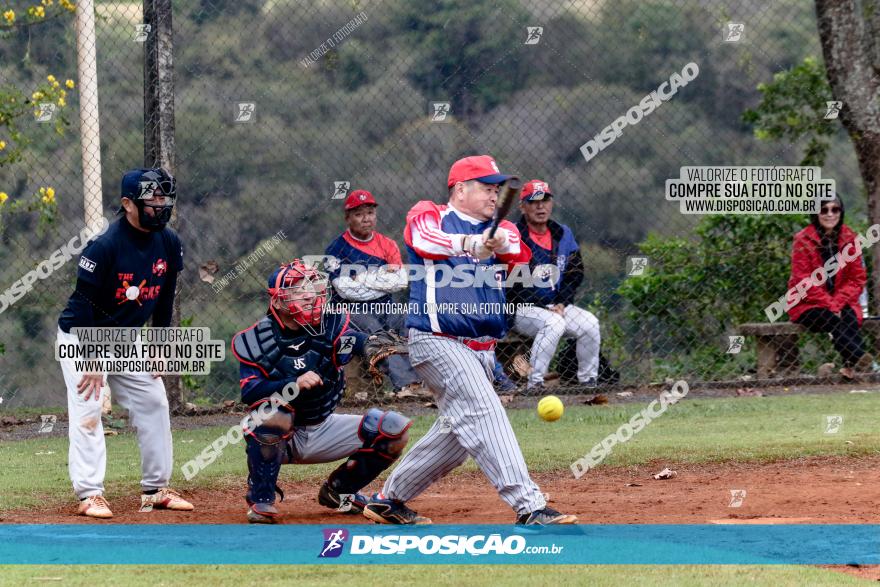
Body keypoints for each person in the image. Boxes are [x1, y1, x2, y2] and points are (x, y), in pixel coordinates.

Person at [361, 155, 578, 526]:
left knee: (454, 440)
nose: (494, 195)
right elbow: (423, 240)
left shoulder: (504, 228)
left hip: (481, 349)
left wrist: (500, 243)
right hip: (437, 339)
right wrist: (470, 243)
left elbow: (520, 258)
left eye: (497, 189)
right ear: (460, 189)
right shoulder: (430, 214)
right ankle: (530, 506)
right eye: (486, 188)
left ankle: (387, 500)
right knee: (485, 412)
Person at [57, 167, 193, 518]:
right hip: (82, 335)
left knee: (154, 401)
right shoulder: (104, 246)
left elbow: (165, 298)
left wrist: (161, 346)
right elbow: (85, 303)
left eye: (164, 197)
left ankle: (156, 489)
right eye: (152, 198)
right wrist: (92, 359)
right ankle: (89, 494)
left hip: (126, 338)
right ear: (127, 204)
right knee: (88, 407)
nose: (160, 205)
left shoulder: (168, 241)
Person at [231, 260, 412, 524]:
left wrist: (370, 345)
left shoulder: (330, 322)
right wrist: (292, 383)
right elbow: (250, 393)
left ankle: (340, 491)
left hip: (323, 427)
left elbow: (353, 339)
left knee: (393, 428)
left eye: (310, 287)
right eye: (297, 289)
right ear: (278, 301)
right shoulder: (256, 340)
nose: (309, 295)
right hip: (283, 437)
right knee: (271, 417)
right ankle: (261, 500)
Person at [324, 190, 423, 395]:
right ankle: (405, 385)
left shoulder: (387, 244)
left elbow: (399, 281)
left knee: (410, 321)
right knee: (376, 331)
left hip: (384, 306)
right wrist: (380, 278)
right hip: (349, 310)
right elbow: (344, 290)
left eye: (370, 212)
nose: (366, 218)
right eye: (359, 214)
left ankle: (420, 382)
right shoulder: (335, 249)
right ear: (348, 218)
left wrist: (361, 279)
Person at [508, 179, 600, 391]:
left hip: (556, 307)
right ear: (522, 206)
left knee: (590, 324)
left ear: (552, 203)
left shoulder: (562, 233)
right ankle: (535, 383)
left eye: (545, 200)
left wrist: (562, 302)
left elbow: (575, 272)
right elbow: (511, 282)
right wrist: (546, 305)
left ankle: (588, 382)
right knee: (554, 323)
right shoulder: (513, 234)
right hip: (520, 309)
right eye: (534, 202)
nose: (540, 206)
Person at [787, 196, 873, 378]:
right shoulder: (802, 240)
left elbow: (857, 278)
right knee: (833, 319)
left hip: (842, 302)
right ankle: (859, 358)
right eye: (824, 210)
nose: (830, 214)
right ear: (815, 213)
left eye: (835, 209)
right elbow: (802, 280)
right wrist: (830, 304)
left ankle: (849, 369)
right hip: (808, 303)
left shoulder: (850, 238)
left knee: (848, 316)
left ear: (841, 213)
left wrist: (838, 302)